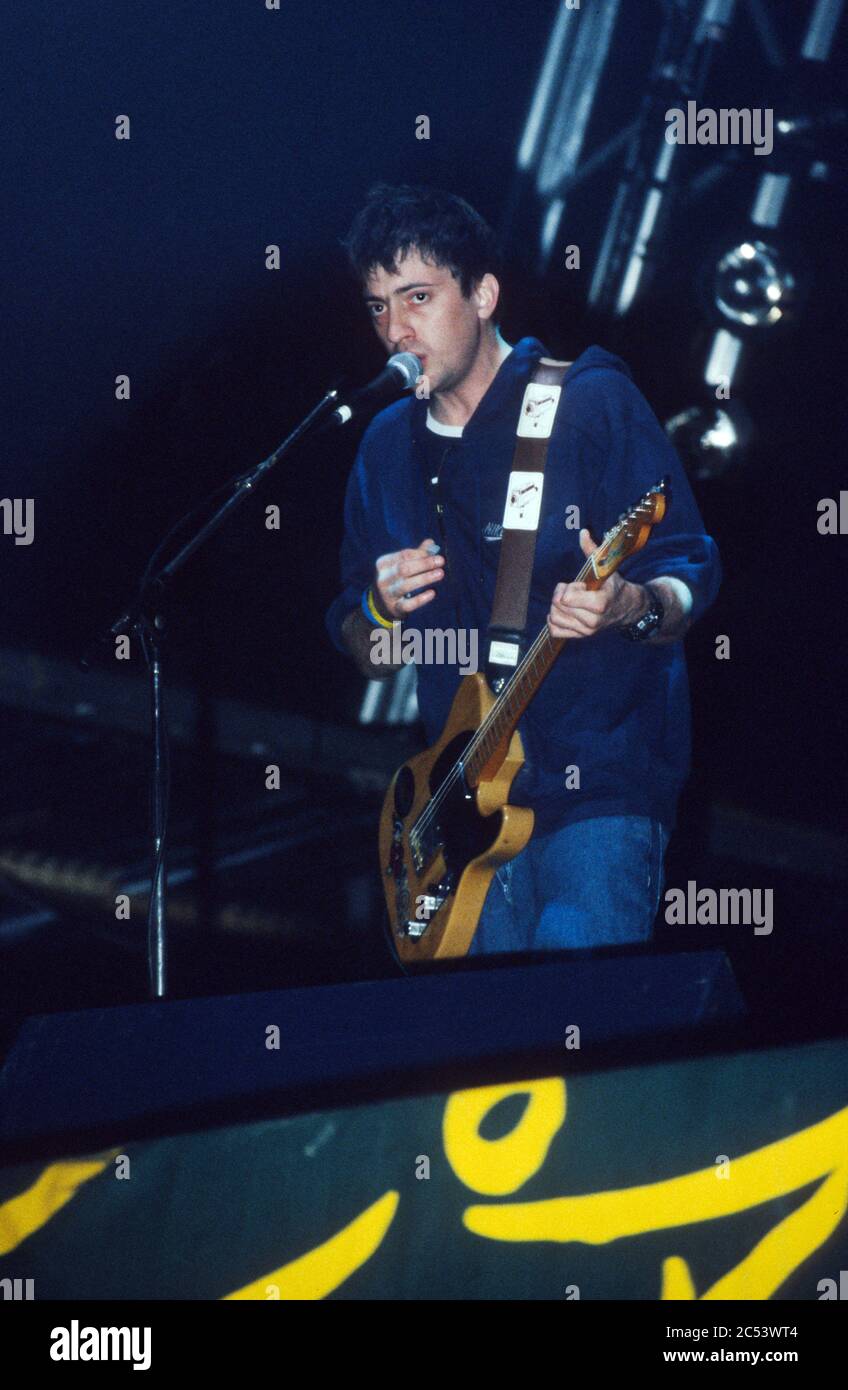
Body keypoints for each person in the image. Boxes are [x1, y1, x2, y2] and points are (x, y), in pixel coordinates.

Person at [325, 184, 721, 954]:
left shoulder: (588, 401)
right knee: (483, 1060)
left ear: (483, 294)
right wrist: (378, 612)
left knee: (577, 1040)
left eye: (417, 298)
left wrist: (628, 604)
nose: (396, 331)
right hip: (460, 812)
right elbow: (368, 654)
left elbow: (687, 571)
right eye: (378, 307)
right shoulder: (383, 447)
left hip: (595, 792)